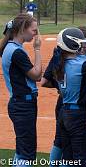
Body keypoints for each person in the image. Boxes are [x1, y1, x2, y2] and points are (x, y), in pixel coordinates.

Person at [0, 13, 42, 166]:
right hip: (23, 106)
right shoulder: (16, 51)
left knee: (22, 149)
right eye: (34, 30)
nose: (36, 34)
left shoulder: (12, 47)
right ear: (23, 29)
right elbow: (37, 75)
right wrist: (37, 49)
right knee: (27, 154)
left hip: (20, 104)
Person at [54, 27, 86, 166]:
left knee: (67, 156)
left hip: (64, 112)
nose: (84, 44)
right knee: (80, 157)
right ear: (73, 44)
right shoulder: (85, 65)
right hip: (79, 114)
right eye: (81, 42)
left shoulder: (58, 63)